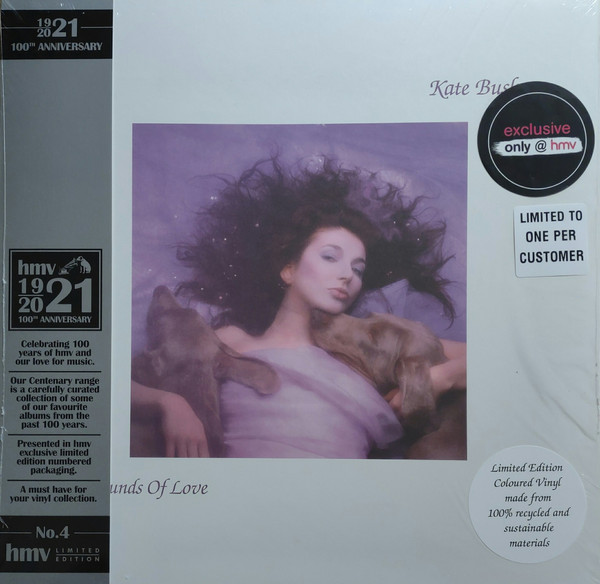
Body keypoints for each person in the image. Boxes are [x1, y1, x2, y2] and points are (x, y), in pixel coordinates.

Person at [131, 156, 466, 458]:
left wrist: (438, 379)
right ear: (288, 270)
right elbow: (114, 385)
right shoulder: (230, 340)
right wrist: (169, 404)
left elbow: (490, 361)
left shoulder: (371, 348)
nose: (347, 275)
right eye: (330, 257)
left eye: (358, 269)